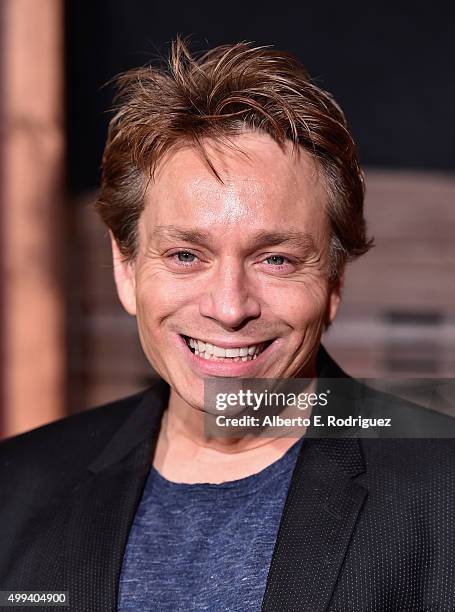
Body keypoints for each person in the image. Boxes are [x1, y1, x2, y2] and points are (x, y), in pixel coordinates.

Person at [1, 37, 454, 612]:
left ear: (334, 284)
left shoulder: (442, 493)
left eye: (277, 260)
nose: (229, 307)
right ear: (126, 267)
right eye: (186, 255)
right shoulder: (16, 489)